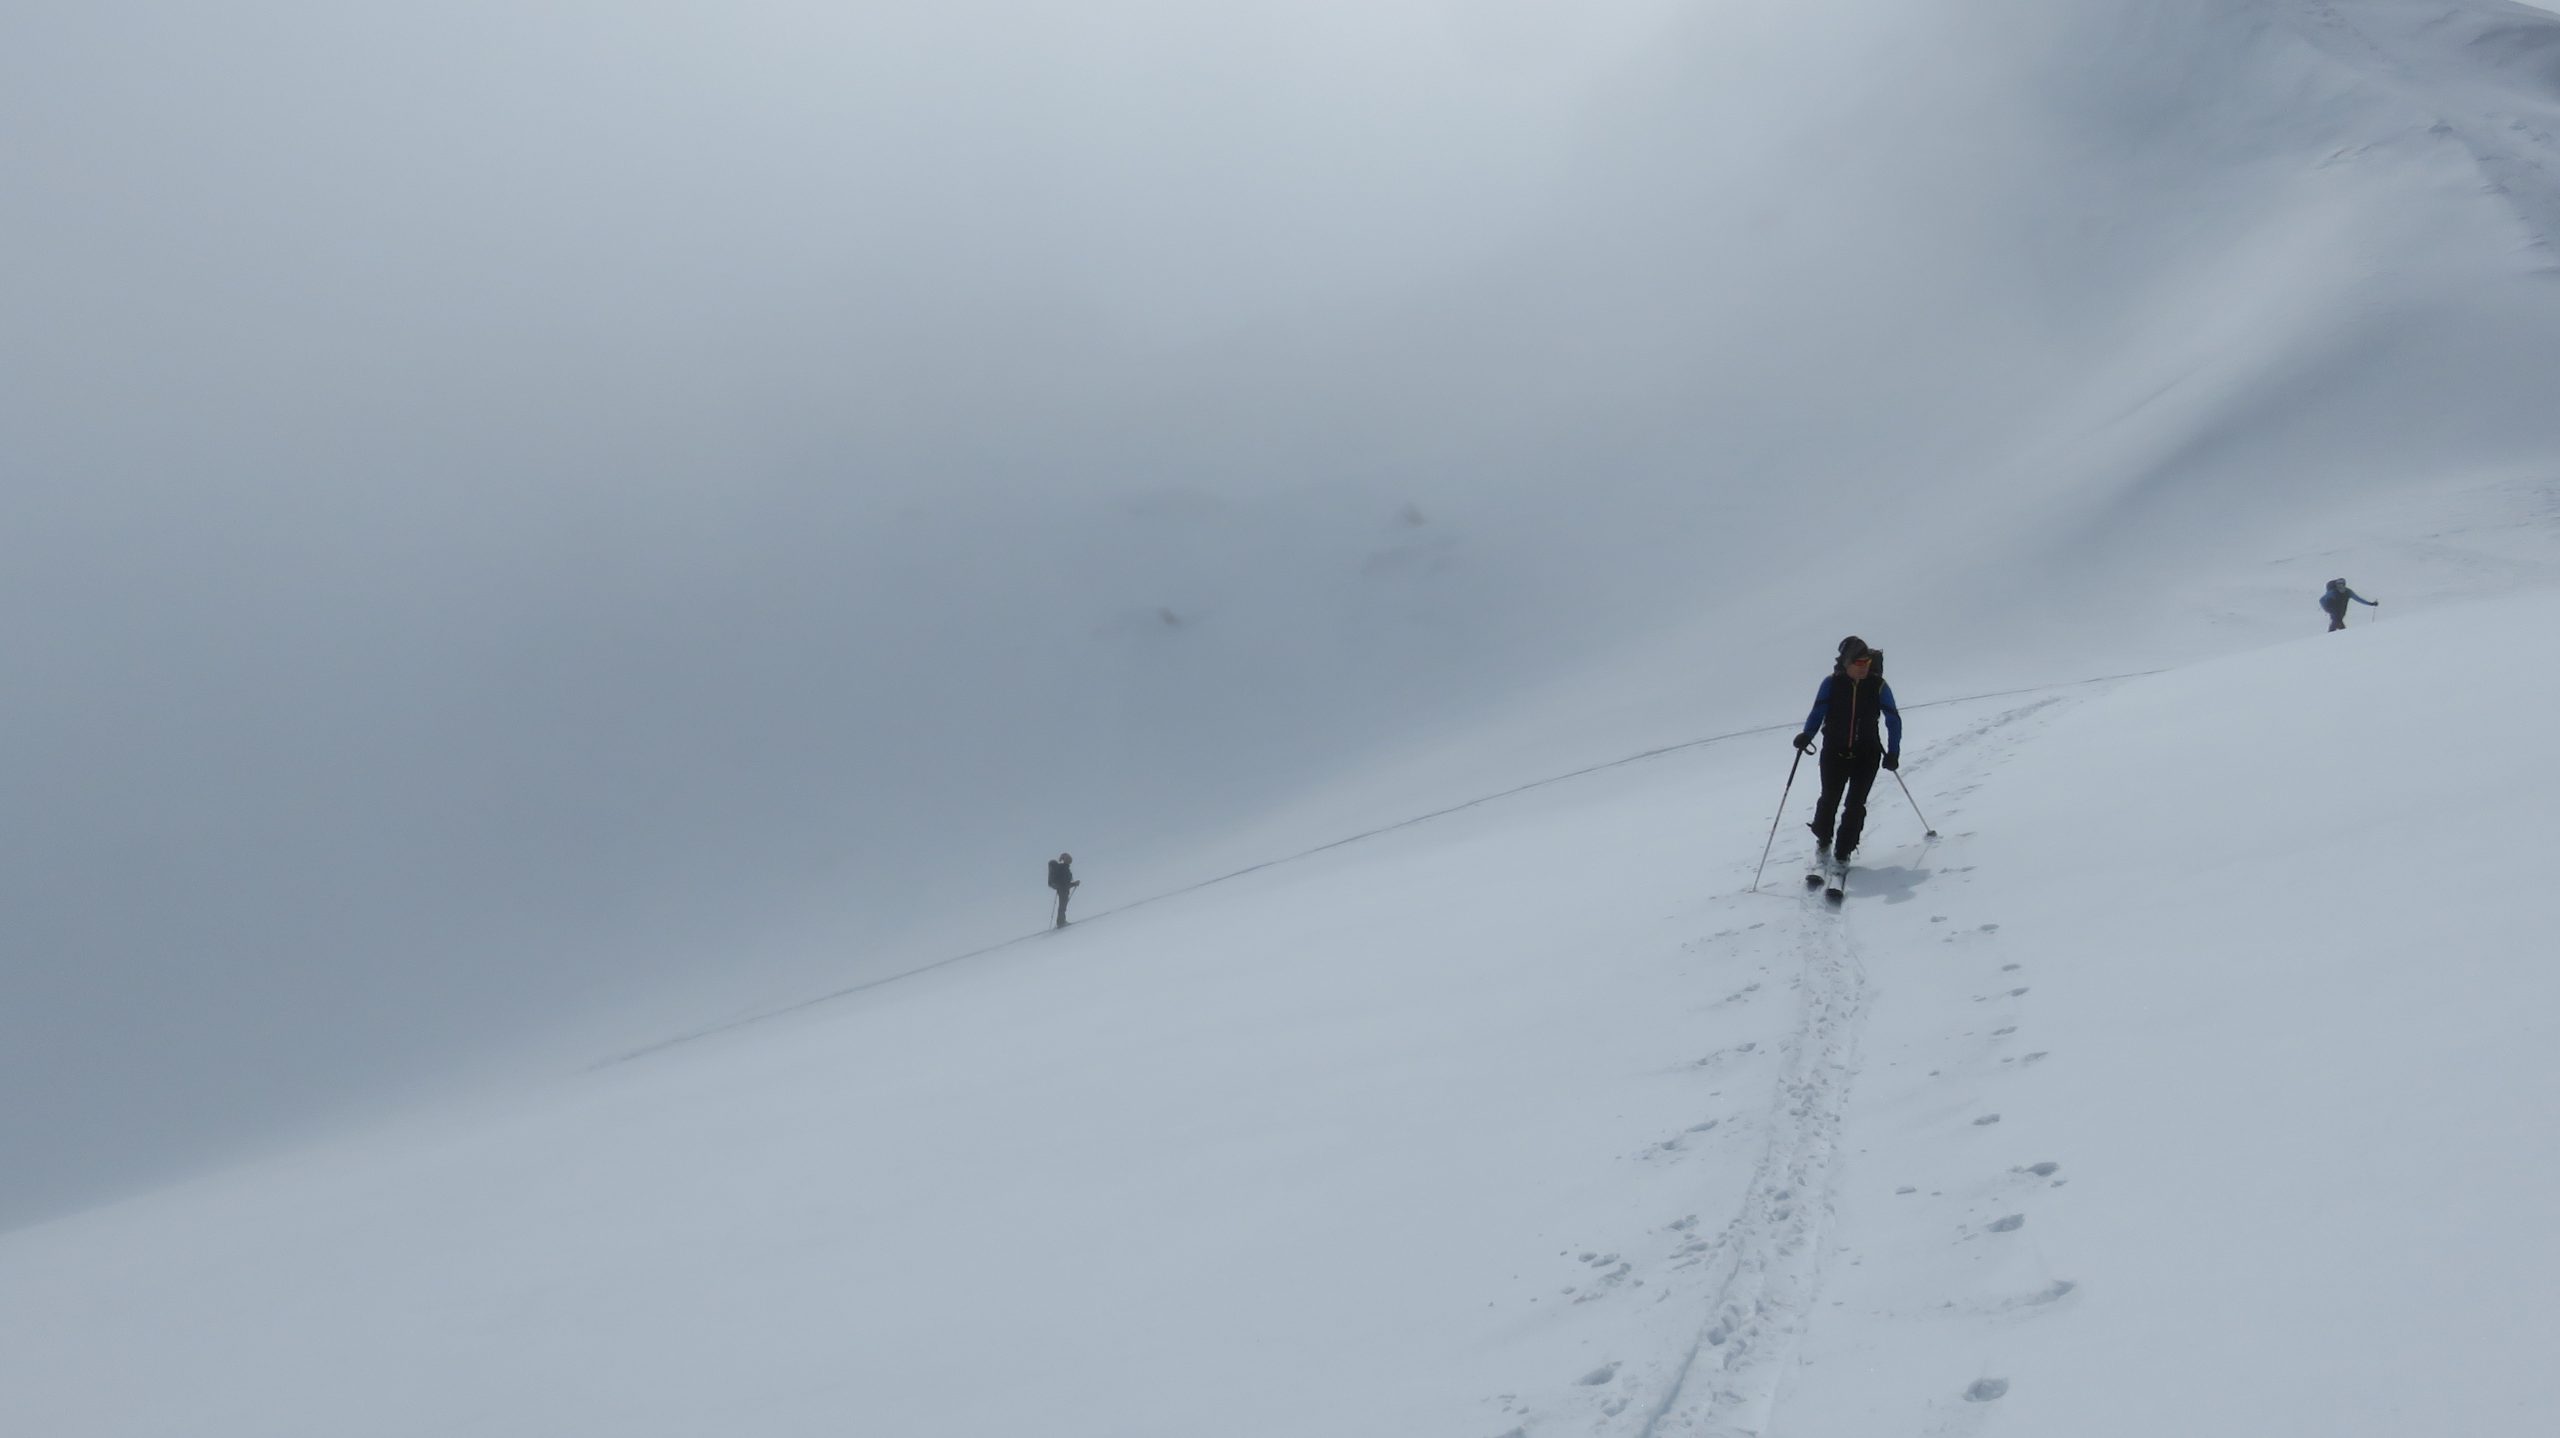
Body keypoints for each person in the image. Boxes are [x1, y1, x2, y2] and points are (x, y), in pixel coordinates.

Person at [1792, 639, 1902, 863]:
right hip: (1834, 752)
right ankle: (1823, 840)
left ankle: (1844, 851)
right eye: (1859, 661)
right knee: (1829, 800)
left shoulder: (1878, 685)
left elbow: (1893, 719)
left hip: (1867, 754)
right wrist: (1807, 735)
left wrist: (1893, 752)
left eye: (1867, 661)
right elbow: (1817, 713)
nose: (1864, 666)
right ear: (1846, 663)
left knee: (1855, 804)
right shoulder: (1831, 684)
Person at [1047, 852, 1080, 929]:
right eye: (1069, 860)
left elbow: (1064, 883)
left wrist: (1073, 884)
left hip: (1061, 889)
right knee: (1062, 906)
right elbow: (1065, 883)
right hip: (1063, 889)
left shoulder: (1062, 868)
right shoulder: (1064, 869)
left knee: (1063, 905)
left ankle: (1061, 921)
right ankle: (1061, 922)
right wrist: (1074, 884)